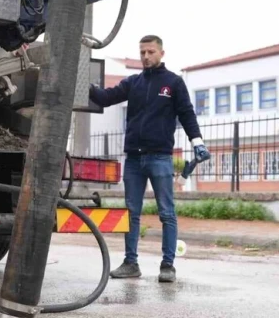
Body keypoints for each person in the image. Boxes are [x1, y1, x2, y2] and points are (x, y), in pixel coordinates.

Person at [89, 35, 210, 282]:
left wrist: (197, 142)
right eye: (142, 52)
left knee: (166, 212)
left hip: (160, 157)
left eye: (151, 52)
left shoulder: (173, 83)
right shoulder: (133, 83)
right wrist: (82, 81)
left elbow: (187, 114)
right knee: (131, 212)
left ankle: (168, 266)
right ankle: (130, 263)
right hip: (134, 159)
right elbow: (105, 98)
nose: (146, 56)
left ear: (161, 53)